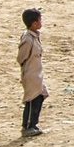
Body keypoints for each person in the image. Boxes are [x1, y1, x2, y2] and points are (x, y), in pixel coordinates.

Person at [17, 8, 47, 138]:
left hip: (37, 73)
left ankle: (33, 124)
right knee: (31, 99)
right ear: (34, 23)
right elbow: (21, 57)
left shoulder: (34, 36)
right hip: (31, 73)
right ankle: (27, 126)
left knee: (39, 96)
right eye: (40, 20)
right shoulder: (28, 39)